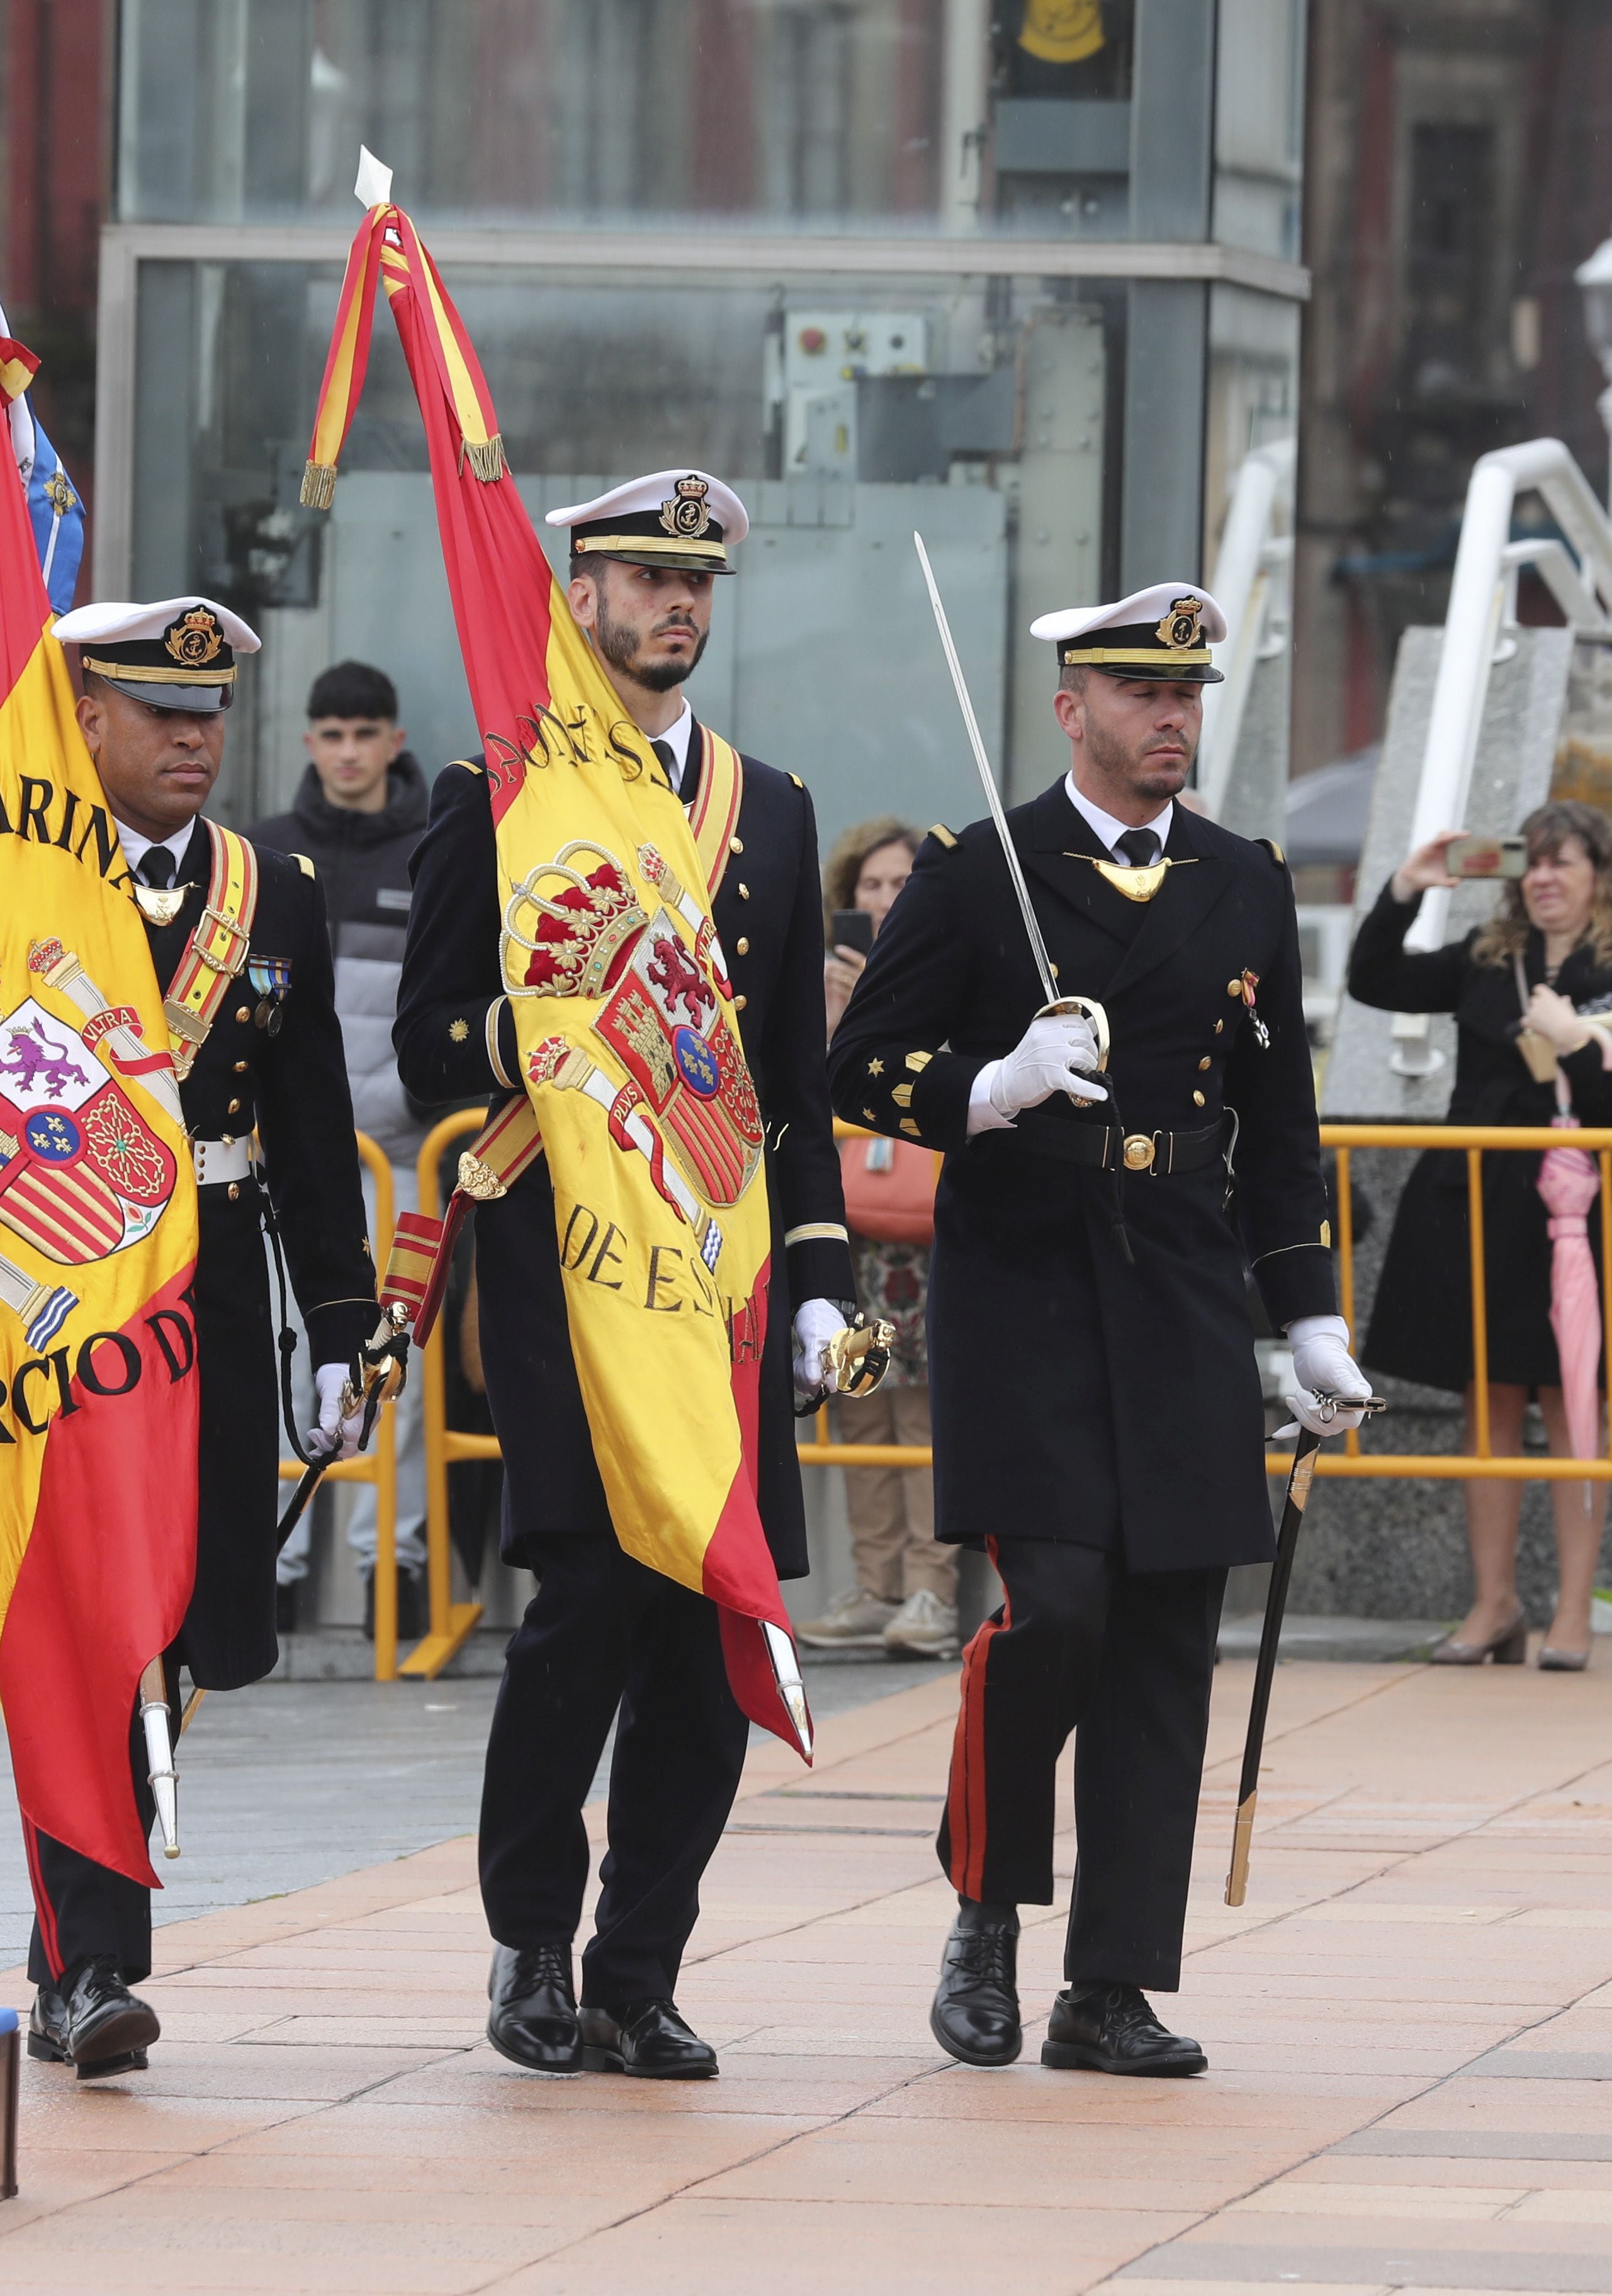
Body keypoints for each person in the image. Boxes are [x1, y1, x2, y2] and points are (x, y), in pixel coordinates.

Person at [828, 580, 1354, 2079]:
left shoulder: (1242, 880)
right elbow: (863, 1065)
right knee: (1052, 1610)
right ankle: (985, 1911)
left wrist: (1302, 1312)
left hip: (1182, 1279)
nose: (1170, 719)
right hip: (1030, 1276)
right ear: (1074, 710)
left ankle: (1109, 1983)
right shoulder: (981, 866)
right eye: (1138, 694)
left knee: (1163, 1642)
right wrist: (987, 1084)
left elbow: (1278, 1118)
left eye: (1185, 695)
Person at [0, 595, 378, 2077]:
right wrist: (22, 1187)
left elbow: (314, 1125)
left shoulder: (272, 888)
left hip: (211, 1293)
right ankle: (90, 1964)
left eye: (209, 718)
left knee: (197, 1626)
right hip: (63, 1307)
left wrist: (339, 1324)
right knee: (95, 1627)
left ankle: (72, 1935)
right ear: (84, 718)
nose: (192, 743)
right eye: (160, 714)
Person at [392, 470, 857, 2082]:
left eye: (698, 582)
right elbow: (428, 1034)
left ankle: (638, 1968)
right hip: (567, 1269)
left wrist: (816, 1276)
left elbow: (792, 1075)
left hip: (721, 1285)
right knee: (583, 1603)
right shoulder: (498, 788)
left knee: (705, 1620)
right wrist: (528, 1035)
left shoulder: (772, 808)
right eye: (646, 579)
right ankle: (530, 1938)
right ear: (574, 596)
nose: (678, 607)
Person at [1351, 804, 1612, 1670]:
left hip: (1576, 1210)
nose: (1543, 878)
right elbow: (1373, 979)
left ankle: (1574, 1613)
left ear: (1600, 875)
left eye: (1563, 863)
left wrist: (1585, 1046)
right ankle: (1494, 1605)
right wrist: (1407, 888)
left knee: (1577, 1411)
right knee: (1487, 1411)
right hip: (1480, 1203)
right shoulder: (1487, 961)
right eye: (1532, 864)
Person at [256, 658, 434, 1626]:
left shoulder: (437, 851)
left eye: (367, 733)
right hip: (286, 1170)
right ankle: (275, 1576)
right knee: (284, 1365)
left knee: (391, 1373)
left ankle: (392, 1572)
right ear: (310, 741)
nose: (351, 752)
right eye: (334, 734)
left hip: (399, 1162)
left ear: (393, 741)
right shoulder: (264, 855)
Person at [803, 816, 952, 1661]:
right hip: (850, 1228)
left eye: (902, 885)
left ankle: (931, 1588)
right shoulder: (819, 976)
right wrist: (831, 1015)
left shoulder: (946, 962)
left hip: (929, 1232)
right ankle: (875, 1581)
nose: (887, 900)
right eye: (872, 887)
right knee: (861, 1405)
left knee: (927, 1417)